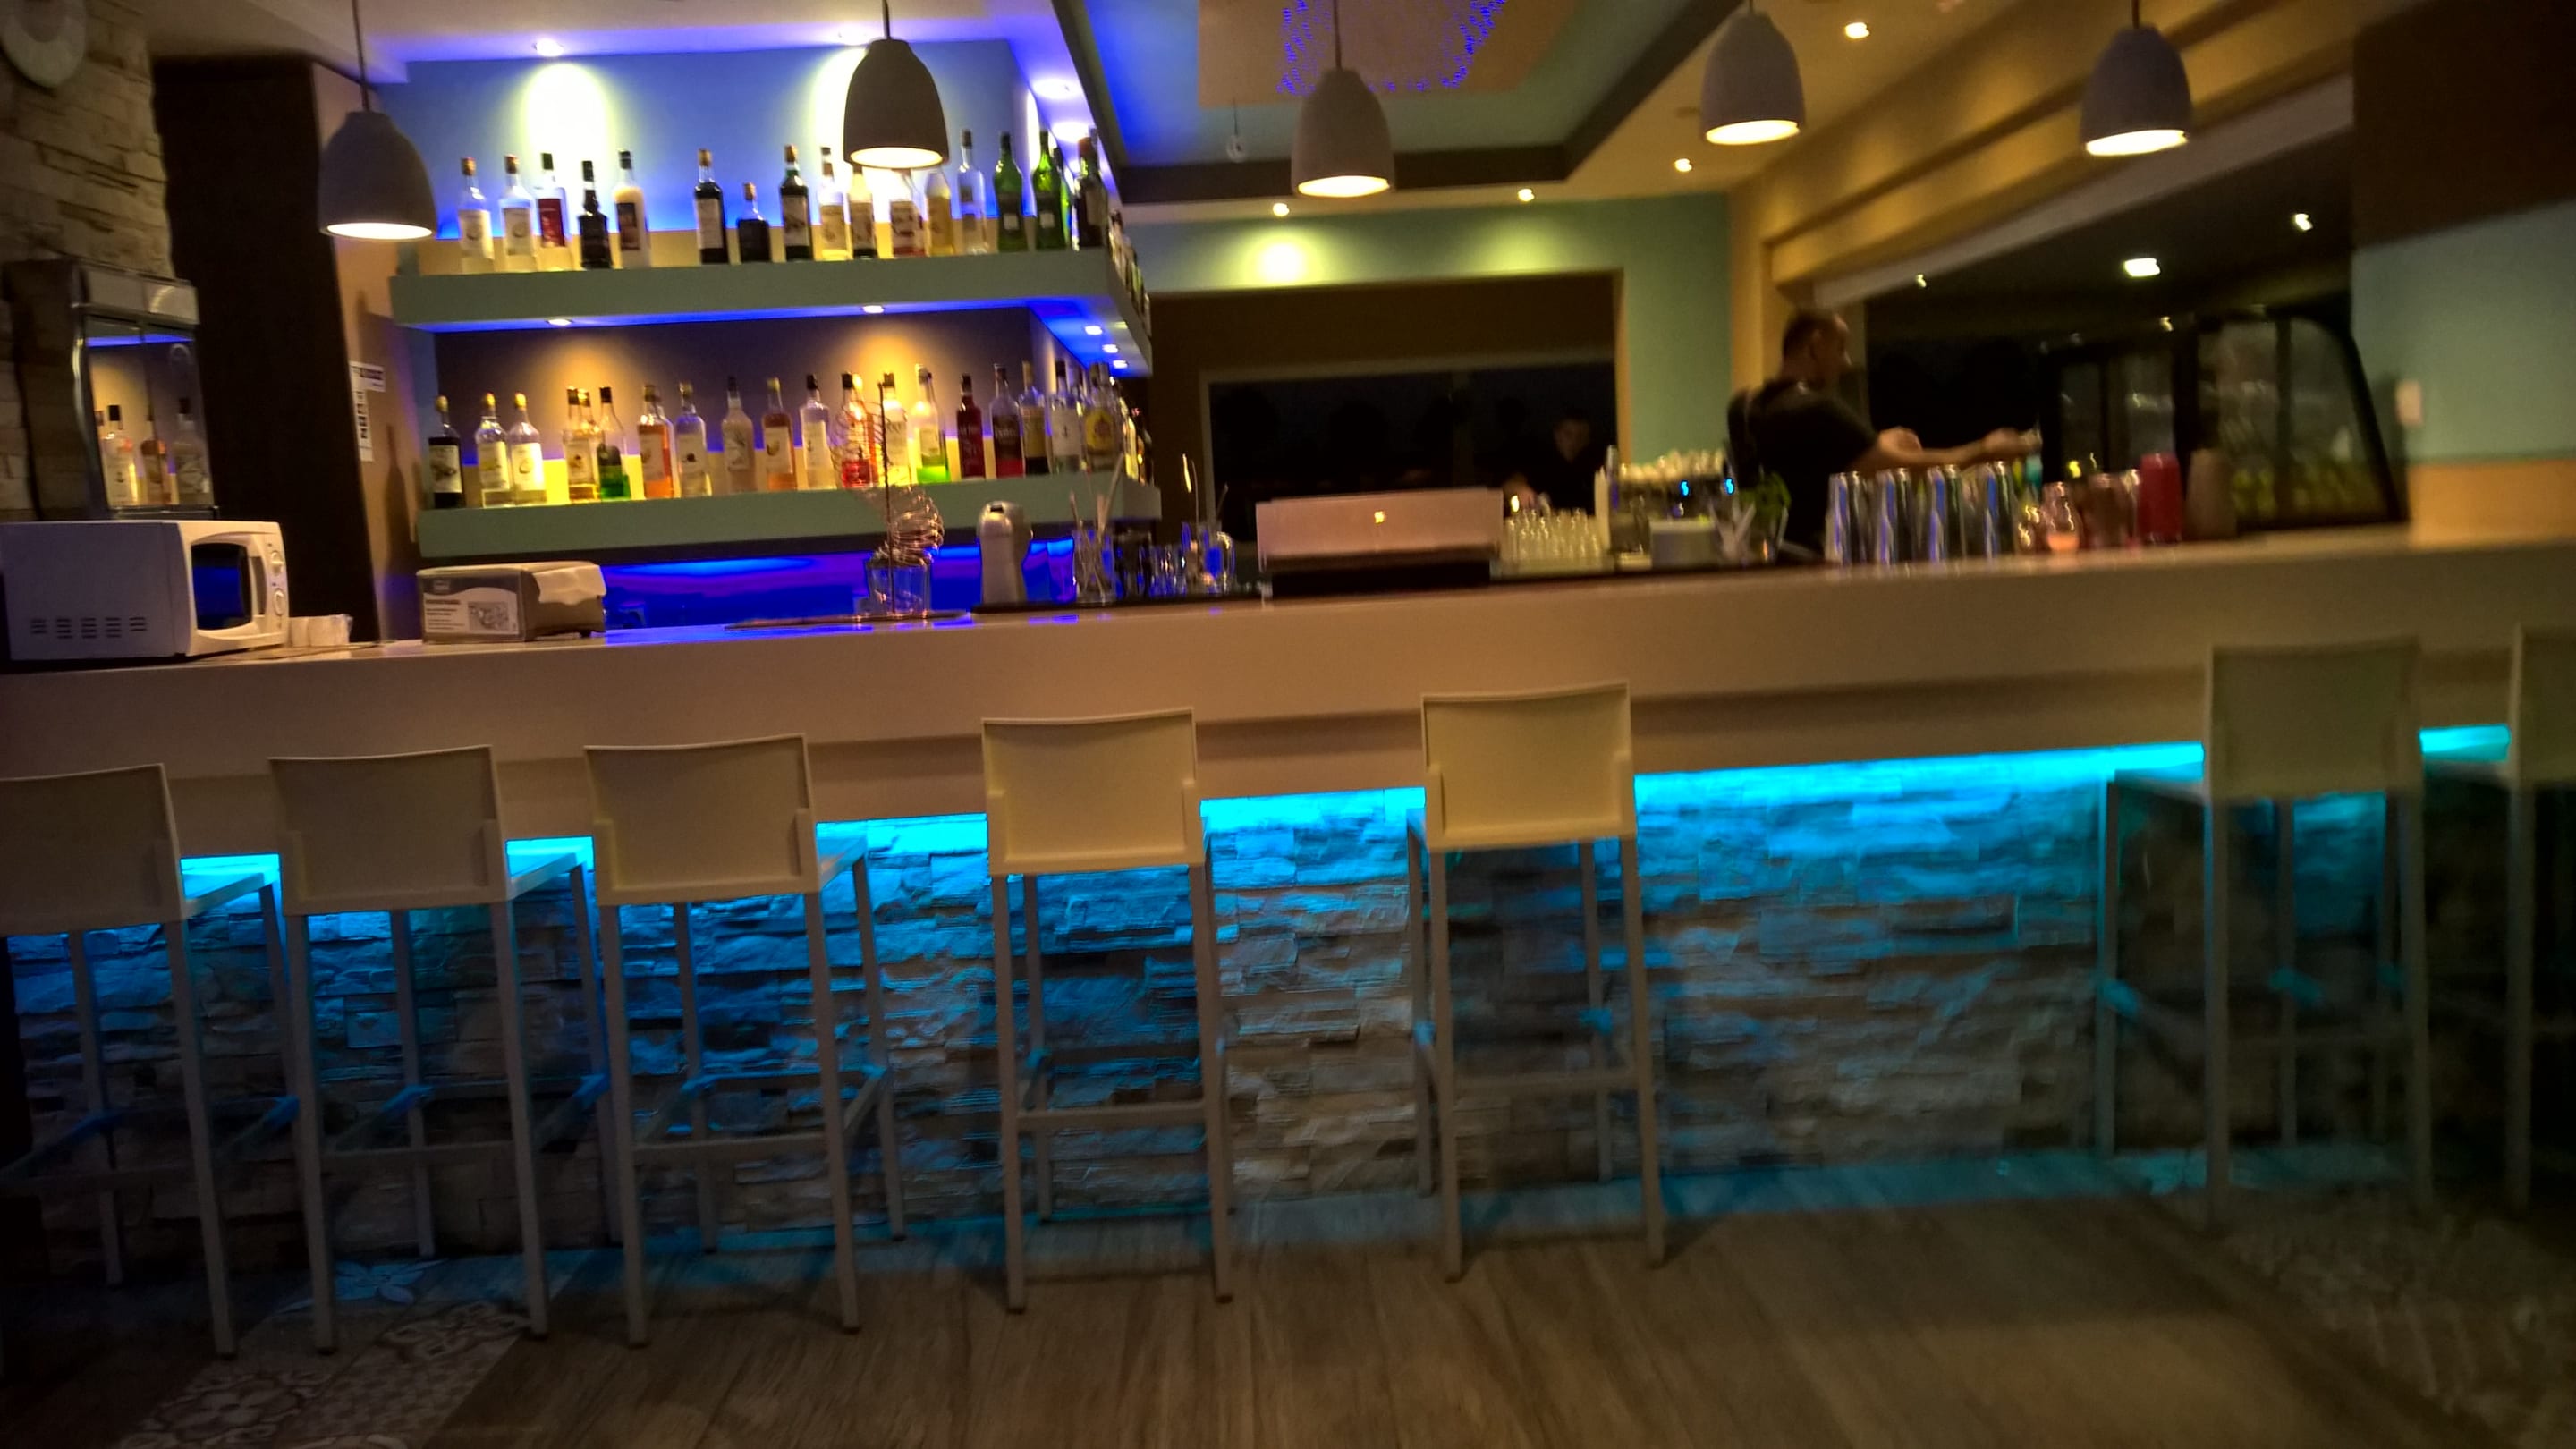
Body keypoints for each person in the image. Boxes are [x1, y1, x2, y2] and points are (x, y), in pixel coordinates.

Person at [1729, 309, 2032, 551]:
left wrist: (1877, 443)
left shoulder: (1744, 407)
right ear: (1815, 345)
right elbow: (1905, 469)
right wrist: (1984, 450)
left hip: (1758, 557)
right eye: (1840, 348)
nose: (1845, 362)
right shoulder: (1820, 409)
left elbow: (1803, 460)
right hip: (1811, 563)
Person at [1505, 406, 1607, 513]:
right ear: (1557, 435)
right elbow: (1509, 485)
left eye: (1580, 436)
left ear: (1587, 440)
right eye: (1568, 434)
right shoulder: (1541, 460)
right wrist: (1521, 490)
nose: (1574, 442)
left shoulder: (1593, 467)